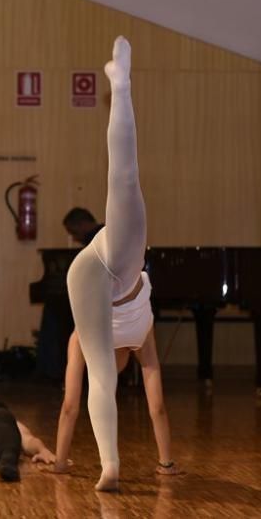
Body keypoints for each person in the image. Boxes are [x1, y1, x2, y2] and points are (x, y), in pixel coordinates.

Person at [56, 36, 177, 491]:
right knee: (124, 179)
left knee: (125, 179)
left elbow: (71, 404)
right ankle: (120, 87)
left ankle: (111, 465)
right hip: (105, 265)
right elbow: (157, 407)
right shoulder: (141, 337)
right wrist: (166, 465)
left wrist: (62, 464)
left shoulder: (91, 341)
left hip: (95, 273)